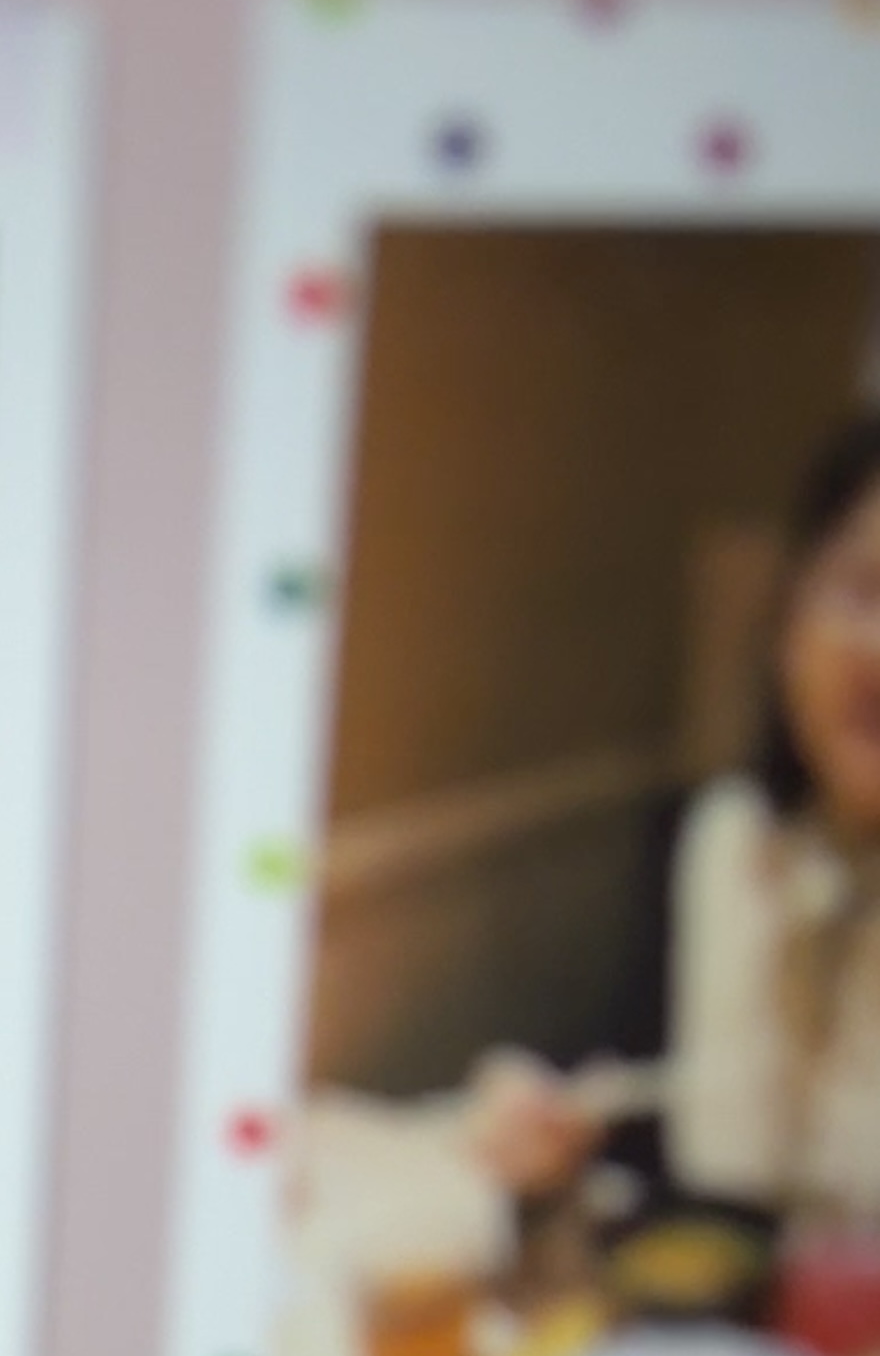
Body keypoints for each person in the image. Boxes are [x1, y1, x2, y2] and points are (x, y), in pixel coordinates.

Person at [375, 412, 880, 1255]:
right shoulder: (726, 844)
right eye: (863, 588)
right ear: (790, 617)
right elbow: (636, 1112)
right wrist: (547, 1140)